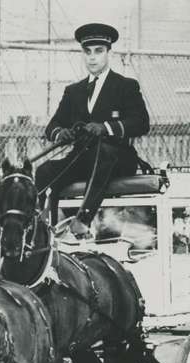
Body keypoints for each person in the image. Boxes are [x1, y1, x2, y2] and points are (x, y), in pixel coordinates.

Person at [36, 22, 150, 239]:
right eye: (87, 52)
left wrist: (106, 128)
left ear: (108, 52)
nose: (92, 57)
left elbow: (141, 122)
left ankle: (83, 220)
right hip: (83, 160)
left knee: (104, 151)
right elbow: (51, 126)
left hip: (117, 159)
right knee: (44, 171)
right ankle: (43, 228)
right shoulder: (73, 91)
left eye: (98, 51)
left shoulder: (125, 85)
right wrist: (61, 133)